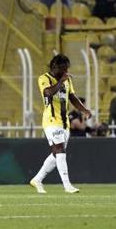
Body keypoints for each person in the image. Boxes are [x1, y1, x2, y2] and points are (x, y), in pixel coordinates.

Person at [29, 55, 92, 194]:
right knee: (60, 150)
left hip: (64, 122)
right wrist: (61, 81)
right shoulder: (44, 78)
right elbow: (48, 93)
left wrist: (84, 110)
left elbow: (72, 97)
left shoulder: (67, 80)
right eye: (63, 69)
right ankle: (67, 185)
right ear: (54, 67)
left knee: (56, 154)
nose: (65, 71)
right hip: (51, 120)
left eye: (66, 69)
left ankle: (37, 179)